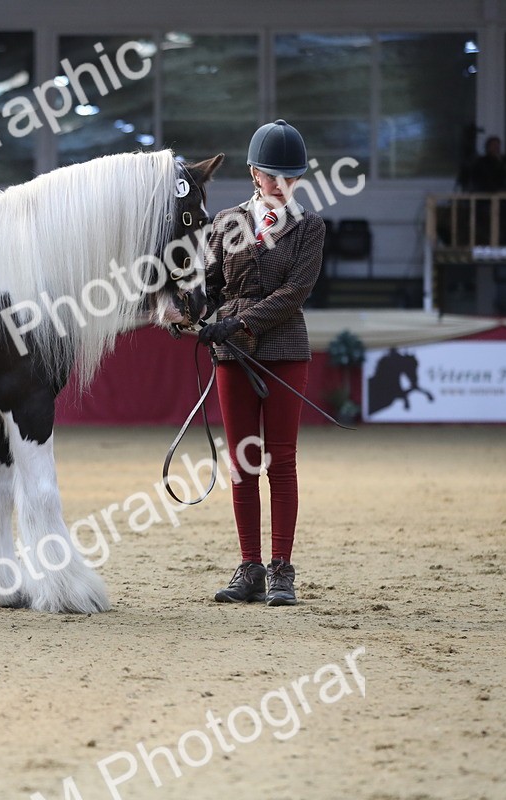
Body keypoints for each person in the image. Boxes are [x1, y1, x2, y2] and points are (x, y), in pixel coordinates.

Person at [197, 119, 325, 607]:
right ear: (254, 173)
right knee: (243, 461)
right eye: (273, 176)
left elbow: (295, 292)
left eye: (290, 177)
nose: (281, 185)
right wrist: (194, 315)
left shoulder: (309, 226)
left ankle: (281, 569)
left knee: (282, 462)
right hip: (232, 355)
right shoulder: (226, 222)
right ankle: (249, 566)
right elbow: (210, 285)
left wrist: (241, 322)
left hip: (284, 348)